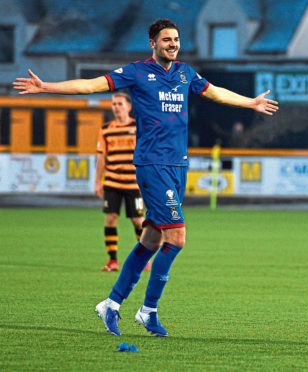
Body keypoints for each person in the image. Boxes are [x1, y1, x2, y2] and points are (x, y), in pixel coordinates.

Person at [14, 18, 278, 337]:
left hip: (177, 165)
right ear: (152, 43)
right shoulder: (136, 72)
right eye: (166, 39)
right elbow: (91, 85)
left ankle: (111, 304)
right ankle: (148, 311)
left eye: (176, 39)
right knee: (177, 237)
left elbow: (216, 93)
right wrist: (46, 87)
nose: (173, 44)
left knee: (151, 239)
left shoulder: (185, 73)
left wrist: (250, 102)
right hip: (152, 164)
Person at [95, 92, 150, 272]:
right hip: (112, 181)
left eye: (119, 103)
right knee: (110, 219)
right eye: (114, 104)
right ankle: (112, 260)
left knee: (138, 221)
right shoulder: (105, 129)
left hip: (133, 183)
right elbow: (101, 157)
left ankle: (143, 258)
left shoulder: (138, 127)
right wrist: (98, 181)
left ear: (128, 106)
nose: (116, 107)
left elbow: (147, 153)